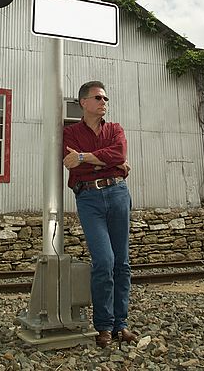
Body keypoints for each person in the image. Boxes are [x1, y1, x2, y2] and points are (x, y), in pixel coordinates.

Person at [63, 80, 137, 348]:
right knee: (104, 261)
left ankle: (121, 325)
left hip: (117, 194)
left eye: (105, 99)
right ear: (83, 102)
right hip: (89, 198)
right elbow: (73, 164)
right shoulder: (70, 133)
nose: (104, 103)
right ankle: (103, 326)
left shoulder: (115, 129)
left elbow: (119, 153)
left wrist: (85, 158)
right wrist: (109, 162)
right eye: (98, 98)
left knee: (122, 263)